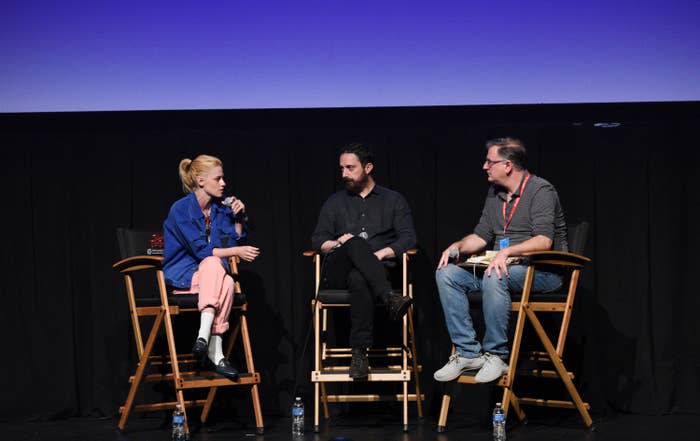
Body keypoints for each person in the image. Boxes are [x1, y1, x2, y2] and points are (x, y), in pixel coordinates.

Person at [434, 137, 568, 383]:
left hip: (541, 272)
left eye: (490, 161)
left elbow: (543, 241)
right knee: (446, 274)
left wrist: (507, 252)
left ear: (507, 165)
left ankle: (496, 354)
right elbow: (481, 236)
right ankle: (468, 353)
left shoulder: (541, 190)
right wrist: (458, 246)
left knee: (495, 273)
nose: (485, 166)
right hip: (498, 269)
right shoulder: (495, 194)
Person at [311, 142, 417, 379]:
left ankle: (359, 353)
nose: (344, 174)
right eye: (342, 169)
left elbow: (409, 238)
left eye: (350, 168)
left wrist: (380, 254)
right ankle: (389, 297)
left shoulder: (393, 200)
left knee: (360, 277)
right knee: (355, 242)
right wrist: (342, 243)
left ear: (368, 167)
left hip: (378, 270)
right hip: (339, 270)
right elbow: (318, 241)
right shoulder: (335, 202)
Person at [163, 154, 260, 380]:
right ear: (200, 181)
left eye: (223, 178)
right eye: (218, 179)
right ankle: (214, 349)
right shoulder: (181, 209)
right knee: (214, 265)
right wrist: (236, 252)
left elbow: (231, 242)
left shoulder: (220, 209)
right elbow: (203, 252)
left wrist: (238, 217)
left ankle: (204, 340)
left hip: (210, 282)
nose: (224, 183)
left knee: (224, 278)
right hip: (184, 278)